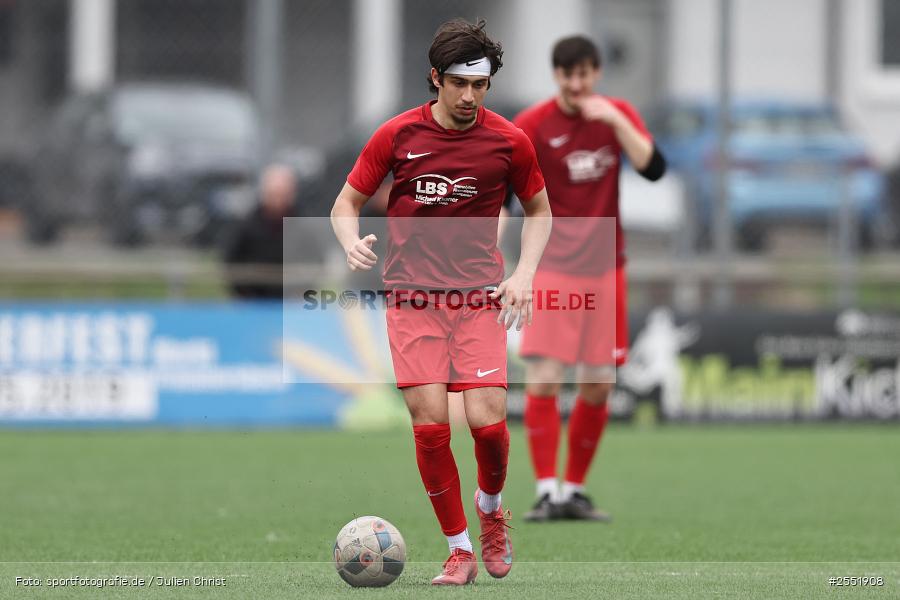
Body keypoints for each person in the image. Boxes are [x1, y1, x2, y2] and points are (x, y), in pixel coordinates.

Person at [330, 19, 551, 586]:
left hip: (479, 300)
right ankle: (459, 550)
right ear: (436, 79)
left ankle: (491, 511)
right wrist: (351, 242)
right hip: (412, 302)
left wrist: (524, 275)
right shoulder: (397, 136)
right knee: (431, 427)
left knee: (488, 424)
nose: (470, 96)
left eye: (480, 85)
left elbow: (541, 212)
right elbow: (345, 203)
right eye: (459, 83)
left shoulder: (509, 142)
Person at [512, 35, 666, 522]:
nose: (577, 84)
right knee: (545, 378)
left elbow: (655, 168)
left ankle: (574, 491)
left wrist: (617, 121)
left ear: (596, 73)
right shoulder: (533, 125)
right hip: (554, 265)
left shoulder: (615, 114)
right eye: (567, 75)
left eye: (584, 74)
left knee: (598, 384)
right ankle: (545, 491)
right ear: (555, 75)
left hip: (606, 266)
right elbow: (501, 192)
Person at [225, 164, 322, 299]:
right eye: (274, 194)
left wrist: (302, 292)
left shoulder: (303, 226)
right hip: (254, 301)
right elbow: (231, 261)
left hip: (293, 302)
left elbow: (315, 262)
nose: (278, 200)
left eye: (283, 194)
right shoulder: (246, 225)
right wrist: (244, 294)